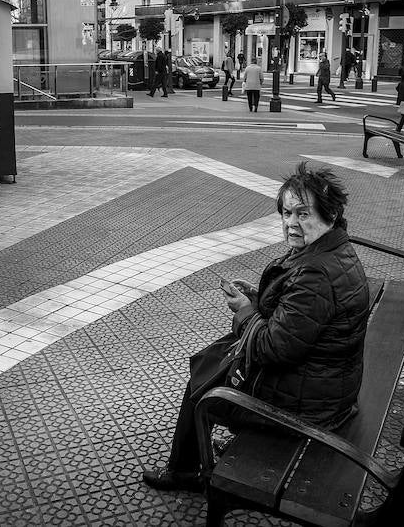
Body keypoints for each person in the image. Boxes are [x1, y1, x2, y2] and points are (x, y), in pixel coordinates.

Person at [142, 163, 371, 492]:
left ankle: (185, 471)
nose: (291, 223)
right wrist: (260, 298)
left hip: (307, 407)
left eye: (303, 214)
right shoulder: (333, 252)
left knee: (203, 386)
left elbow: (272, 347)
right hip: (325, 385)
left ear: (330, 215)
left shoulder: (316, 274)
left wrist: (246, 311)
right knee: (214, 360)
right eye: (287, 213)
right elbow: (301, 316)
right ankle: (190, 461)